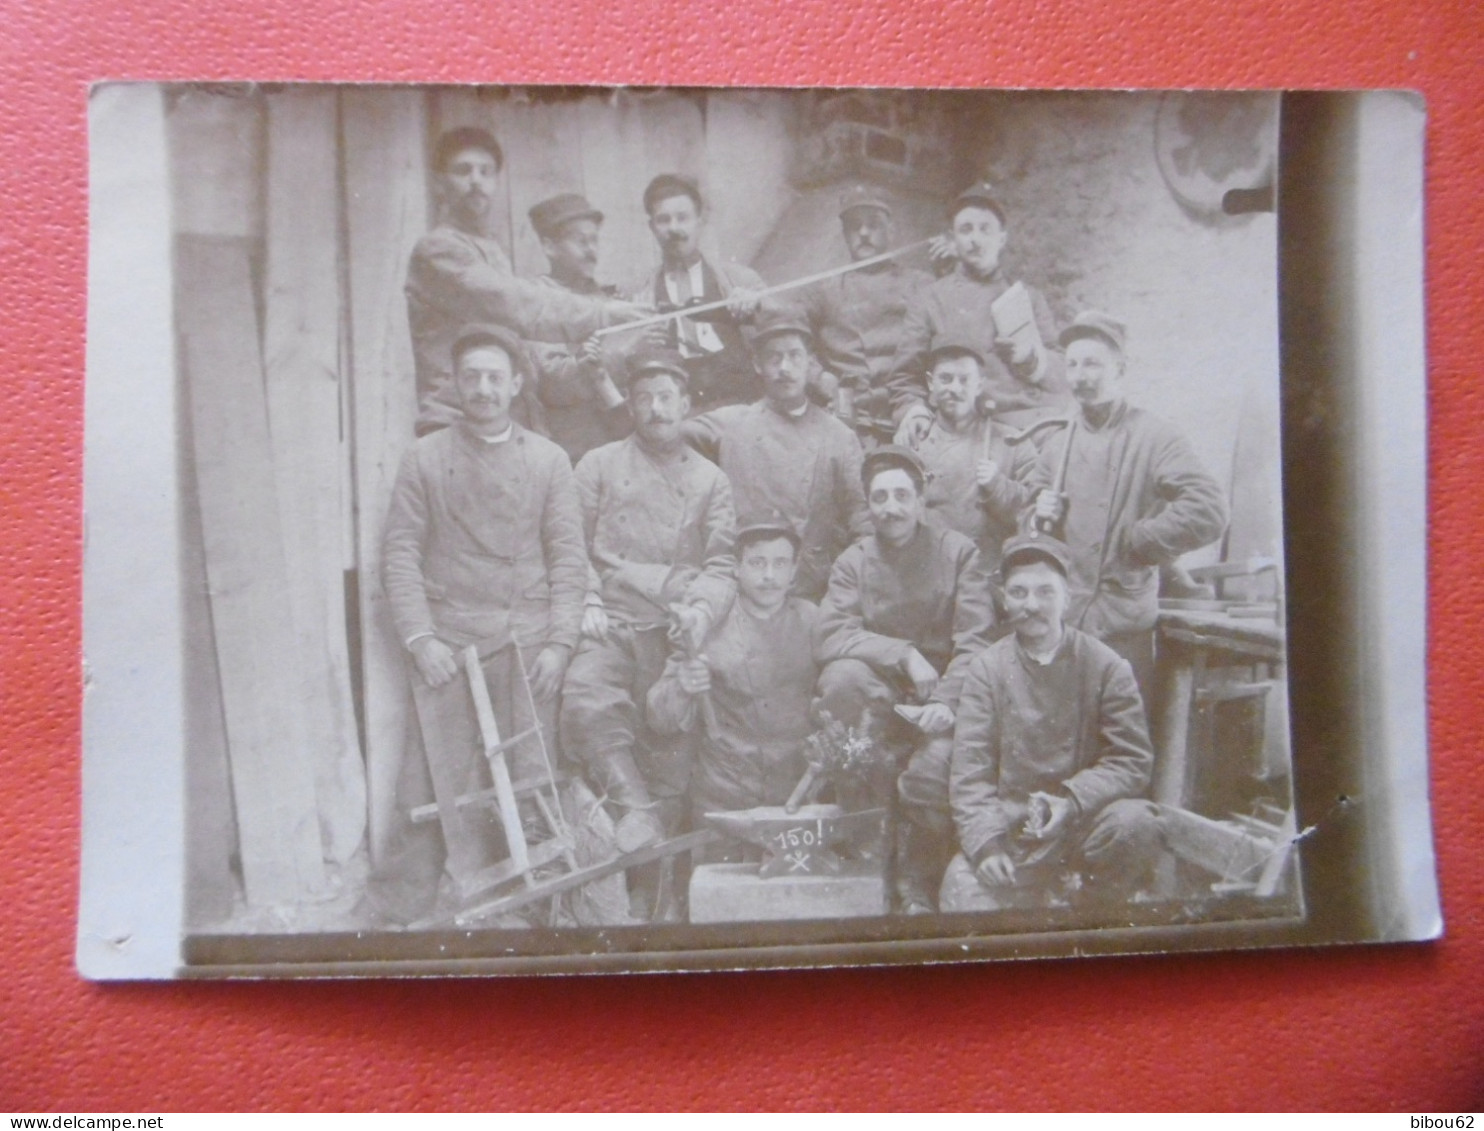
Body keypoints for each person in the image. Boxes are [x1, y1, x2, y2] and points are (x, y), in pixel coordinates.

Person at [369, 323, 588, 924]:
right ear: (456, 385)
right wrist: (420, 639)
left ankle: (541, 916)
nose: (484, 389)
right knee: (426, 784)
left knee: (533, 783)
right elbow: (400, 555)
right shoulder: (426, 457)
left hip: (528, 643)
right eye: (472, 378)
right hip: (452, 644)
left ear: (516, 384)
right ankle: (393, 921)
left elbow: (570, 558)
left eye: (496, 377)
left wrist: (561, 642)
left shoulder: (548, 461)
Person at [560, 345, 737, 899]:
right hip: (611, 620)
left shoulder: (711, 480)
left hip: (675, 631)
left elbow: (723, 564)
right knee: (585, 697)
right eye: (644, 398)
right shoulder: (597, 464)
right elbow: (570, 546)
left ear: (686, 403)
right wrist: (586, 597)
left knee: (672, 755)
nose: (657, 409)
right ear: (630, 406)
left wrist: (701, 612)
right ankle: (632, 811)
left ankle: (661, 901)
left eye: (667, 397)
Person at [813, 445, 996, 913]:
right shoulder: (853, 561)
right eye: (879, 498)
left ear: (920, 498)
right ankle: (867, 869)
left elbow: (976, 641)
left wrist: (946, 702)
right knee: (842, 677)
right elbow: (832, 634)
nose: (890, 508)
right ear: (868, 505)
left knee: (933, 770)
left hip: (946, 697)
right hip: (882, 700)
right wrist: (905, 654)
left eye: (901, 495)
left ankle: (919, 888)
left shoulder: (959, 554)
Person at [939, 535, 1158, 913]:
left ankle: (1089, 916)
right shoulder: (986, 671)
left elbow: (1132, 760)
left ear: (1067, 598)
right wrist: (986, 846)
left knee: (1135, 823)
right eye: (1019, 593)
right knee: (961, 898)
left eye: (1045, 591)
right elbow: (969, 774)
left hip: (1082, 826)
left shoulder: (1107, 666)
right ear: (1005, 601)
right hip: (1015, 834)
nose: (1032, 605)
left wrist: (1072, 801)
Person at [1029, 310, 1229, 710]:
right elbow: (1027, 525)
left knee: (1122, 746)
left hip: (1122, 625)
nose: (1080, 376)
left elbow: (1209, 509)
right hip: (1064, 624)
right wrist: (1037, 514)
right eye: (1071, 364)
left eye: (1092, 363)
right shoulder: (1057, 445)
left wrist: (1140, 540)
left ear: (1120, 368)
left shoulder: (1154, 436)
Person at [405, 127, 645, 436]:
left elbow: (533, 360)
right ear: (440, 183)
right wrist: (603, 313)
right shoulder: (437, 251)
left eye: (486, 172)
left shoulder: (494, 254)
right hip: (455, 422)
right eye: (463, 171)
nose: (476, 180)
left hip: (502, 423)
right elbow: (512, 301)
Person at [646, 510, 821, 855]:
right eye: (757, 563)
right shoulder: (708, 627)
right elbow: (658, 718)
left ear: (794, 570)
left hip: (799, 796)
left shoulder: (813, 621)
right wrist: (683, 685)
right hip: (725, 801)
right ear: (736, 569)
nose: (769, 576)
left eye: (780, 563)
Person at [682, 312, 870, 600]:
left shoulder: (839, 437)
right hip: (743, 588)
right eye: (774, 358)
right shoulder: (732, 424)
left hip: (815, 591)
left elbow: (863, 522)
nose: (785, 368)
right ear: (757, 365)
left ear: (810, 363)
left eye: (795, 356)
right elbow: (663, 432)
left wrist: (845, 590)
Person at [888, 181, 1069, 440]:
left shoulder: (1028, 298)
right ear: (952, 239)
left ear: (1002, 238)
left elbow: (1062, 375)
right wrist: (914, 412)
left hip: (1027, 427)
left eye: (986, 229)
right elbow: (905, 378)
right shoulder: (930, 299)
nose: (975, 240)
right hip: (962, 431)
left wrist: (1031, 358)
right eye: (966, 230)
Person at [798, 183, 932, 446]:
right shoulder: (827, 290)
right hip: (846, 423)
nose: (863, 233)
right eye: (854, 226)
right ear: (845, 235)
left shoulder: (920, 284)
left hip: (906, 420)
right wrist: (819, 377)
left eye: (874, 224)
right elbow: (792, 334)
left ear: (891, 230)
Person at [909, 336, 1047, 576]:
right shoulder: (913, 441)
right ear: (930, 383)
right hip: (924, 575)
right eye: (946, 379)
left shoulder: (1012, 443)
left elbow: (1037, 514)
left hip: (985, 578)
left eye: (964, 380)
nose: (954, 388)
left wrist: (998, 486)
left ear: (979, 385)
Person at [632, 173, 766, 411]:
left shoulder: (738, 280)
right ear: (651, 227)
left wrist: (756, 305)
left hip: (745, 405)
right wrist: (638, 342)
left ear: (700, 221)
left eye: (683, 218)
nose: (674, 229)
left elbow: (784, 322)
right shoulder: (639, 295)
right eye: (663, 220)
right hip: (681, 413)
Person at [523, 192, 632, 464]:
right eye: (580, 241)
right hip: (572, 451)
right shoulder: (538, 302)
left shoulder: (609, 299)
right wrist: (627, 348)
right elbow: (555, 381)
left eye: (594, 240)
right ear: (550, 247)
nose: (591, 250)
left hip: (625, 441)